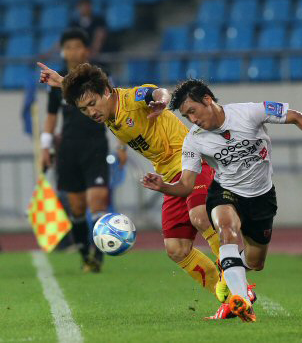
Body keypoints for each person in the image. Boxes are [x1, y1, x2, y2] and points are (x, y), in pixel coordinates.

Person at [37, 62, 232, 318]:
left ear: (107, 91)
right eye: (84, 109)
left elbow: (155, 92)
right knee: (176, 249)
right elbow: (86, 93)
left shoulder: (131, 99)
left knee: (199, 216)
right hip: (169, 175)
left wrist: (161, 101)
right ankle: (230, 298)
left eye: (93, 104)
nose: (91, 112)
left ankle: (235, 283)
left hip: (192, 162)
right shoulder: (106, 109)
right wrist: (62, 81)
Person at [140, 79, 302, 322]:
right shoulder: (194, 140)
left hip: (262, 196)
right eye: (186, 116)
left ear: (207, 100)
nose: (192, 120)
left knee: (256, 262)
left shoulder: (250, 112)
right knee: (226, 229)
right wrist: (164, 186)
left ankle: (230, 266)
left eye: (192, 111)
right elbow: (186, 186)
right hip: (225, 191)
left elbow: (296, 116)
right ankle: (240, 300)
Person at [42, 28, 117, 273]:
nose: (73, 51)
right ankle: (85, 256)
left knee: (97, 202)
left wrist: (122, 145)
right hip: (69, 148)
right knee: (75, 207)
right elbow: (51, 117)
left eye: (78, 46)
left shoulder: (97, 78)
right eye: (69, 47)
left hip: (96, 145)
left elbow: (118, 108)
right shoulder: (56, 81)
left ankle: (98, 254)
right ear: (63, 51)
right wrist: (46, 147)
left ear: (86, 49)